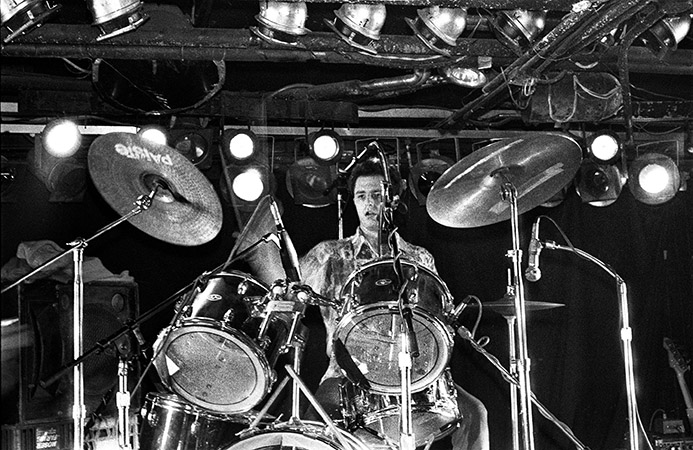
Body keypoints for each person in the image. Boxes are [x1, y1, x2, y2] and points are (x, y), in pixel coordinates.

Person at [299, 157, 490, 450]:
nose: (369, 204)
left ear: (393, 201)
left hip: (415, 378)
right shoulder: (329, 255)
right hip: (346, 377)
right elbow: (290, 287)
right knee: (311, 430)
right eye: (361, 196)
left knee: (475, 413)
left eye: (377, 195)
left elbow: (436, 324)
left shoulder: (419, 258)